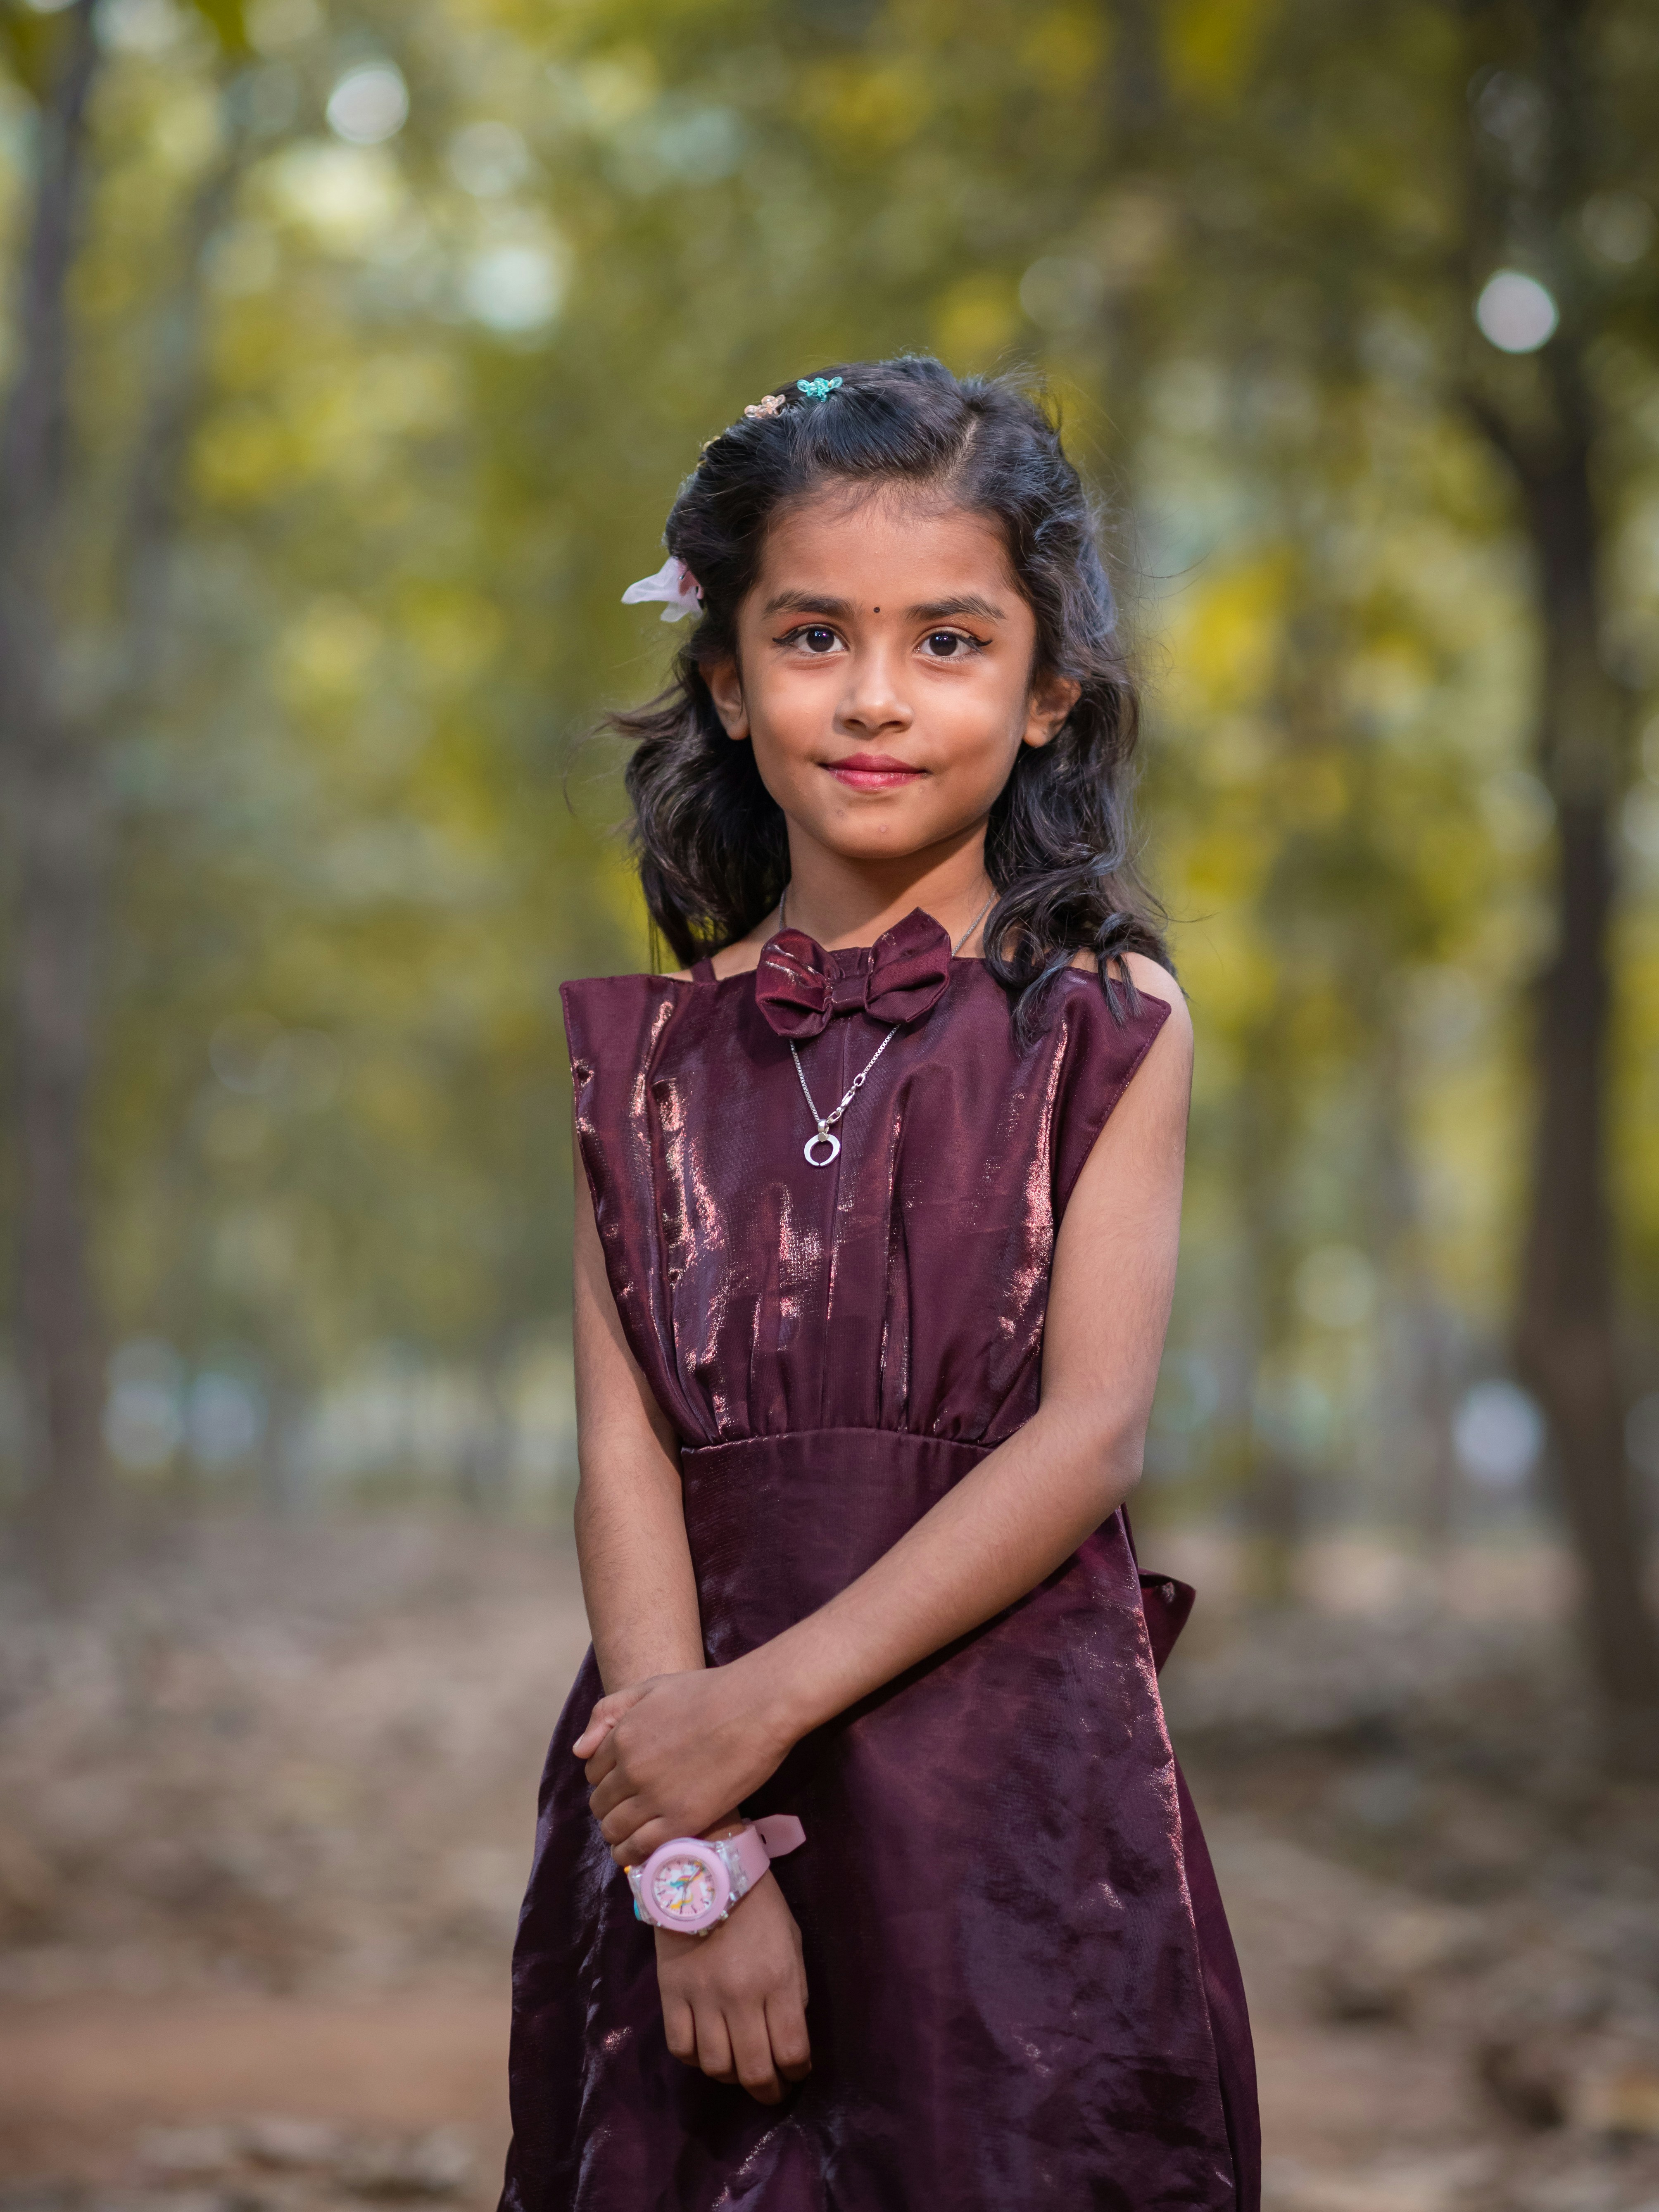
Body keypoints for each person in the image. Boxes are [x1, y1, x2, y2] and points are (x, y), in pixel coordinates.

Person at [499, 356, 1258, 2212]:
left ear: (1044, 690)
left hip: (1011, 1807)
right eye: (814, 635)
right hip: (678, 1786)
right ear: (725, 676)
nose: (874, 697)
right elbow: (622, 1465)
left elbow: (1085, 1439)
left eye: (946, 641)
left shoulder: (1107, 1025)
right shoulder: (648, 1057)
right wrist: (689, 1854)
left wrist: (752, 1717)